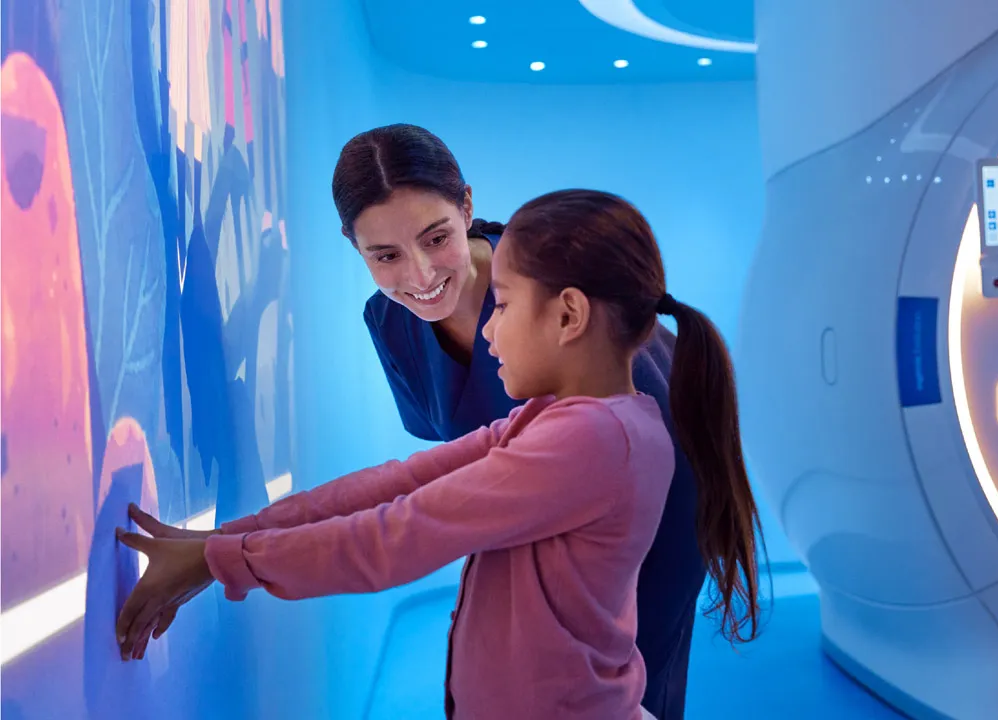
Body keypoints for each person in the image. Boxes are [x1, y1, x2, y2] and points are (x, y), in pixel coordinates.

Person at [115, 189, 767, 720]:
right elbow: (397, 484)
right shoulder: (563, 420)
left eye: (502, 304)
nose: (486, 328)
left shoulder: (589, 441)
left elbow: (397, 536)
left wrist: (219, 559)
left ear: (568, 317)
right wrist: (222, 542)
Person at [330, 124, 768, 719]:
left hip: (651, 509)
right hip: (538, 528)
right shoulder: (389, 321)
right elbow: (441, 468)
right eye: (384, 255)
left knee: (624, 684)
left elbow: (641, 428)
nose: (420, 275)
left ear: (466, 205)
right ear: (353, 246)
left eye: (436, 238)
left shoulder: (551, 276)